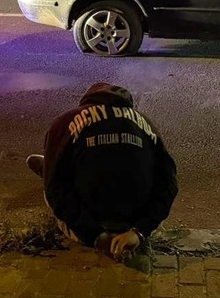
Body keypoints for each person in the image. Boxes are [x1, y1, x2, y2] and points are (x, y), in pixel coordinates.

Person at [27, 83, 177, 261]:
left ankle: (49, 166)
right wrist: (140, 231)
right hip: (132, 231)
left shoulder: (65, 122)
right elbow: (169, 182)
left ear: (87, 101)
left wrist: (96, 235)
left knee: (52, 179)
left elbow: (54, 191)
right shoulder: (146, 124)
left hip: (88, 228)